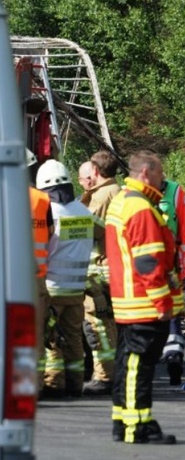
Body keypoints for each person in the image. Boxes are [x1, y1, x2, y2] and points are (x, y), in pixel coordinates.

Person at [105, 150, 182, 445]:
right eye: (161, 175)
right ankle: (134, 426)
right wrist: (164, 303)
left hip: (128, 300)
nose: (163, 182)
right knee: (139, 366)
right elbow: (148, 261)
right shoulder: (141, 209)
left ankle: (125, 420)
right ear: (147, 173)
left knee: (127, 364)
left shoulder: (122, 202)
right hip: (143, 302)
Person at [37, 159, 99, 399]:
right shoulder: (84, 212)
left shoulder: (49, 213)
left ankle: (54, 384)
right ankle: (75, 384)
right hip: (76, 290)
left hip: (52, 289)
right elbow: (104, 232)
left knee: (50, 340)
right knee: (73, 338)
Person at [77, 151, 121, 395]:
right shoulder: (117, 191)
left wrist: (65, 215)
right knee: (109, 325)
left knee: (98, 325)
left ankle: (104, 377)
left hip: (99, 270)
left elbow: (89, 228)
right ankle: (109, 372)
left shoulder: (103, 196)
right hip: (109, 268)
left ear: (94, 171)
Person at [158, 177, 185, 385]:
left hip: (167, 264)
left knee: (169, 311)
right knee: (170, 313)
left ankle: (171, 355)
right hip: (165, 265)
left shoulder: (174, 192)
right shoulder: (130, 194)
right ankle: (173, 353)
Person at [26, 148, 54, 395]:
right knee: (35, 333)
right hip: (36, 277)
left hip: (8, 278)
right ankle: (32, 384)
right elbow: (52, 234)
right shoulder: (43, 200)